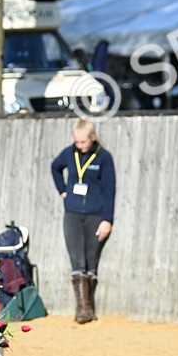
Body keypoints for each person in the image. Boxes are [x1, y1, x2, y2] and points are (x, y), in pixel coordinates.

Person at [50, 119, 115, 322]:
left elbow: (110, 190)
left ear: (92, 137)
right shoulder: (69, 153)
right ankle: (82, 310)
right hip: (73, 213)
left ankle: (89, 306)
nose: (80, 146)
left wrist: (107, 219)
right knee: (77, 259)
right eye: (77, 142)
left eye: (83, 142)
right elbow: (55, 167)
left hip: (95, 214)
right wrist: (63, 191)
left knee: (91, 261)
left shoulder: (104, 157)